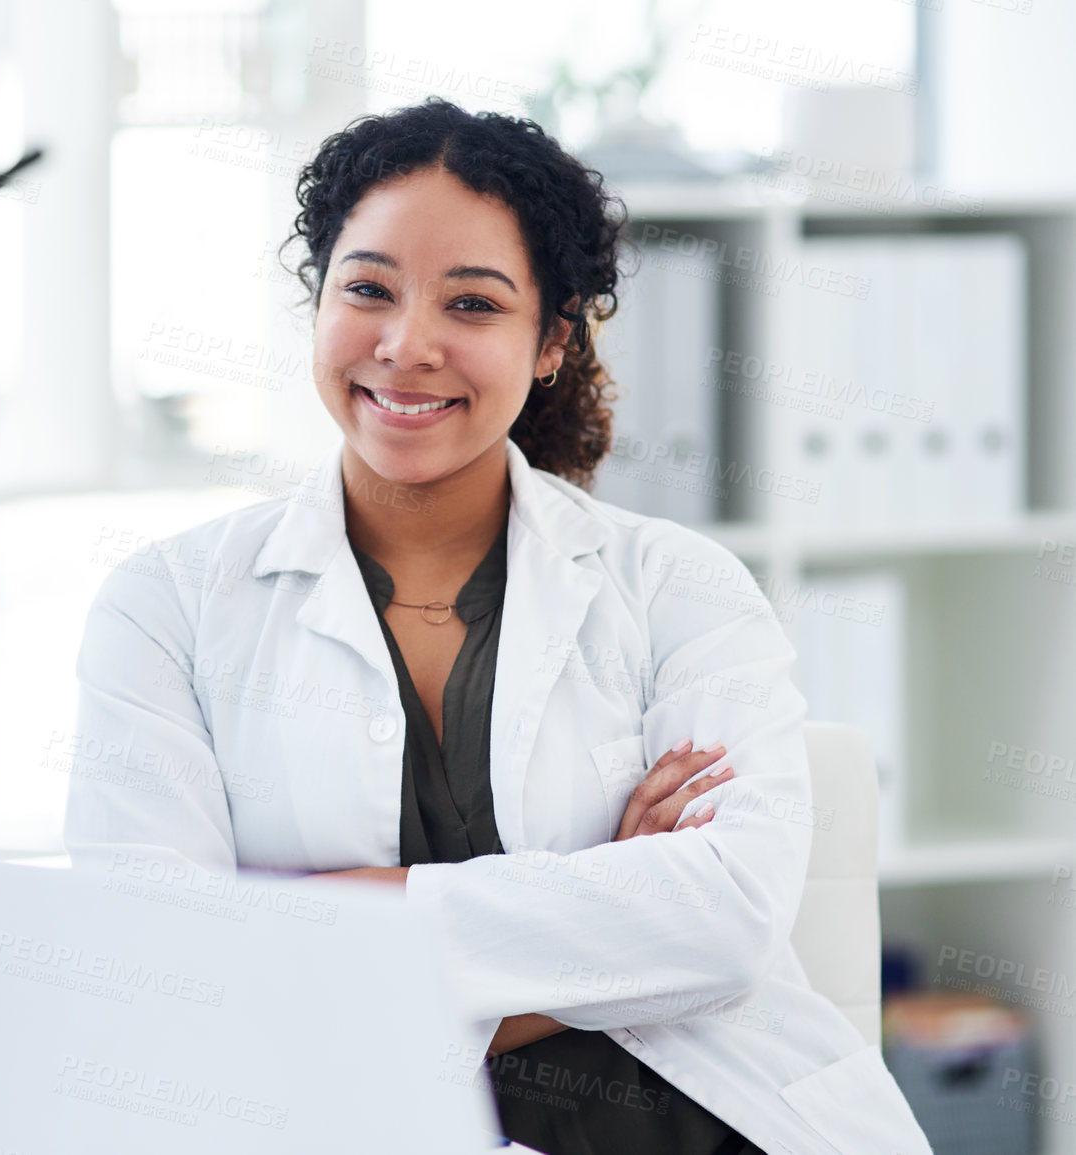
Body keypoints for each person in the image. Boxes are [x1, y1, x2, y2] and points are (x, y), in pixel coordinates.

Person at [65, 98, 930, 1155]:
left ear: (553, 339)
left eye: (471, 305)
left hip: (719, 1122)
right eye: (368, 289)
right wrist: (606, 916)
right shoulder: (168, 607)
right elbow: (158, 971)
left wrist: (312, 920)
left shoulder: (679, 587)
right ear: (318, 304)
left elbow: (727, 924)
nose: (406, 344)